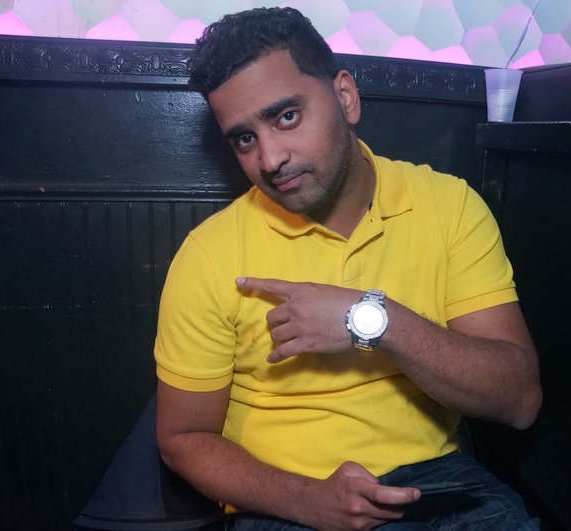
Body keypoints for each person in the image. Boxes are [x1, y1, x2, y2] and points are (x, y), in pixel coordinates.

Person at [154, 7, 542, 530]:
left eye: (286, 117)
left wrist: (372, 320)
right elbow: (182, 440)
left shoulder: (449, 207)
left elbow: (518, 400)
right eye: (245, 138)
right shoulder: (209, 254)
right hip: (288, 496)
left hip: (437, 483)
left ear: (345, 97)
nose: (269, 159)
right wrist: (306, 500)